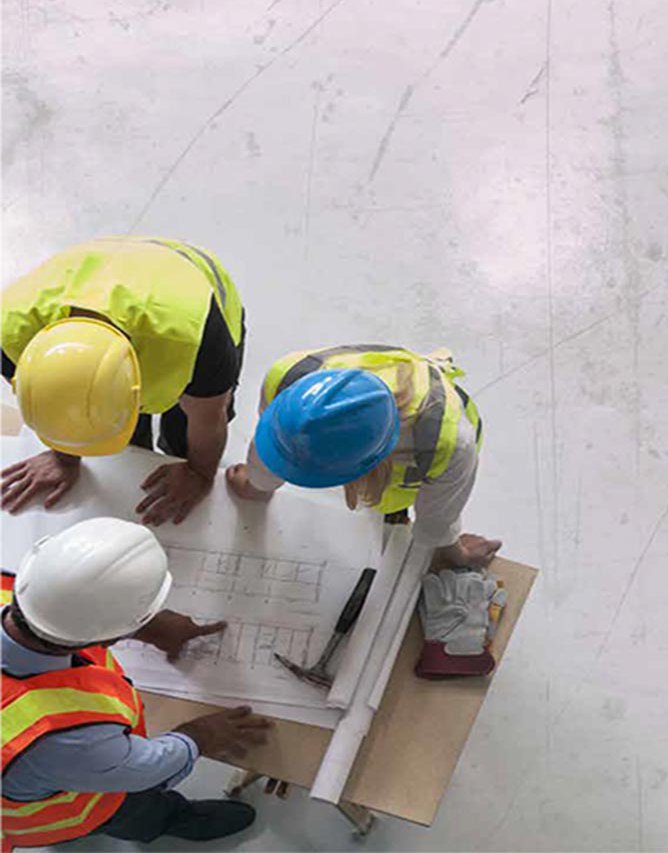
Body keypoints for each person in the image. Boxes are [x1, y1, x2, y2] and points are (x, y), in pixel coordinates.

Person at [0, 517, 273, 848]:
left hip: (35, 772)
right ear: (112, 636)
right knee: (136, 812)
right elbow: (144, 768)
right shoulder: (63, 739)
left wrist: (146, 626)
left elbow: (59, 612)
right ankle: (170, 819)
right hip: (70, 808)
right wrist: (199, 736)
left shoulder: (23, 594)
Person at [0, 237, 246, 525]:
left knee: (183, 430)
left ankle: (176, 453)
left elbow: (208, 418)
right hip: (105, 269)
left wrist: (198, 473)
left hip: (190, 292)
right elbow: (58, 404)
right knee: (122, 438)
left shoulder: (195, 342)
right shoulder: (11, 337)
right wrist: (63, 456)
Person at [224, 345, 500, 568]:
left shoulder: (449, 445)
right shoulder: (289, 377)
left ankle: (393, 514)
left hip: (410, 471)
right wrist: (256, 485)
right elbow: (276, 439)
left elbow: (437, 518)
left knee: (390, 510)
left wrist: (456, 555)